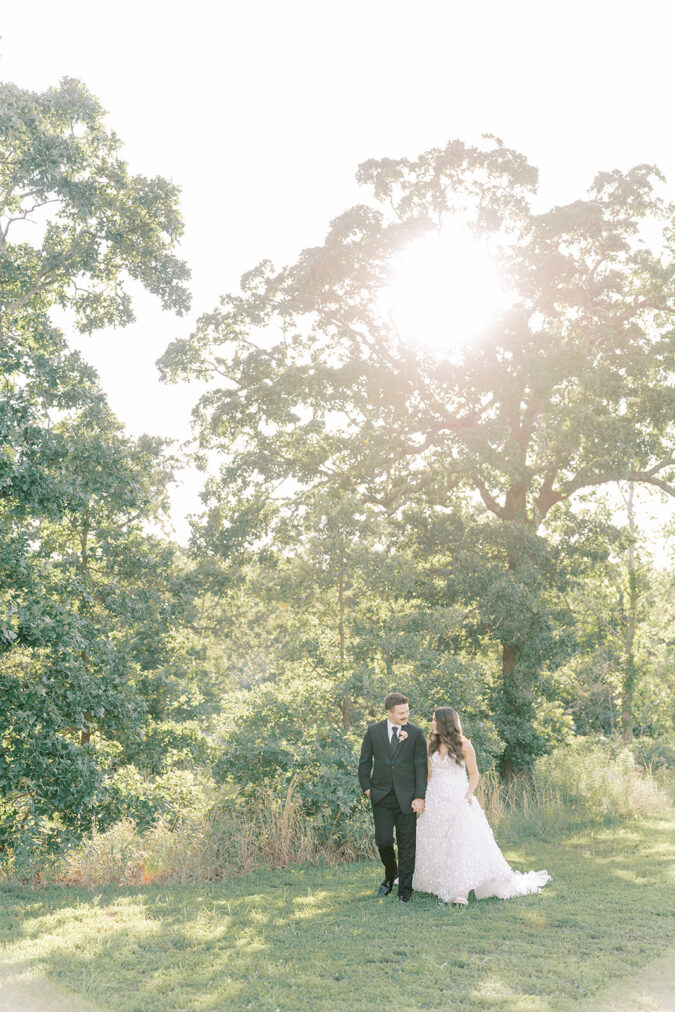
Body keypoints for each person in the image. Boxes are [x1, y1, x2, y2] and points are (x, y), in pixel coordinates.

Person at [413, 706, 551, 904]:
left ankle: (461, 891)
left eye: (435, 720)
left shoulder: (464, 745)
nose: (432, 723)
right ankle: (438, 883)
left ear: (445, 722)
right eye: (432, 719)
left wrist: (469, 794)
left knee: (461, 843)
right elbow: (429, 774)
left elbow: (474, 773)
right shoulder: (430, 745)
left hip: (458, 800)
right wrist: (424, 797)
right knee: (436, 841)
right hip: (436, 798)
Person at [358, 692, 428, 902]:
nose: (405, 716)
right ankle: (390, 874)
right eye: (401, 713)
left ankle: (405, 891)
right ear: (389, 712)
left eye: (407, 712)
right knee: (384, 841)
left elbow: (421, 767)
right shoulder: (373, 731)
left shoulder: (415, 733)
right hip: (381, 797)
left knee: (407, 844)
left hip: (407, 798)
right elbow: (364, 762)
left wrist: (419, 796)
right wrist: (367, 788)